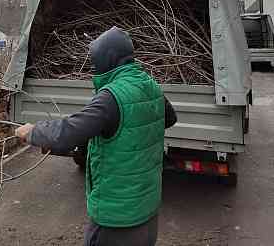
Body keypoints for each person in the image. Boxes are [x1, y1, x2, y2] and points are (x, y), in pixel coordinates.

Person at [15, 26, 177, 246]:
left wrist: (33, 132)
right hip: (147, 212)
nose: (92, 65)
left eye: (95, 59)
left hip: (116, 220)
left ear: (109, 58)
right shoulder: (151, 86)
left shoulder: (111, 97)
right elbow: (168, 119)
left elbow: (67, 132)